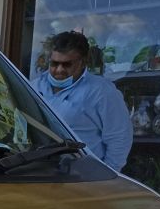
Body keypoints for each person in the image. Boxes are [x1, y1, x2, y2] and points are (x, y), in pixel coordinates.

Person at [34, 30, 133, 172]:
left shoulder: (102, 91)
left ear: (82, 62)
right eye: (54, 64)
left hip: (82, 177)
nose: (59, 70)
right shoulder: (35, 86)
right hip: (38, 172)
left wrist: (107, 174)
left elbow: (119, 138)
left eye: (67, 64)